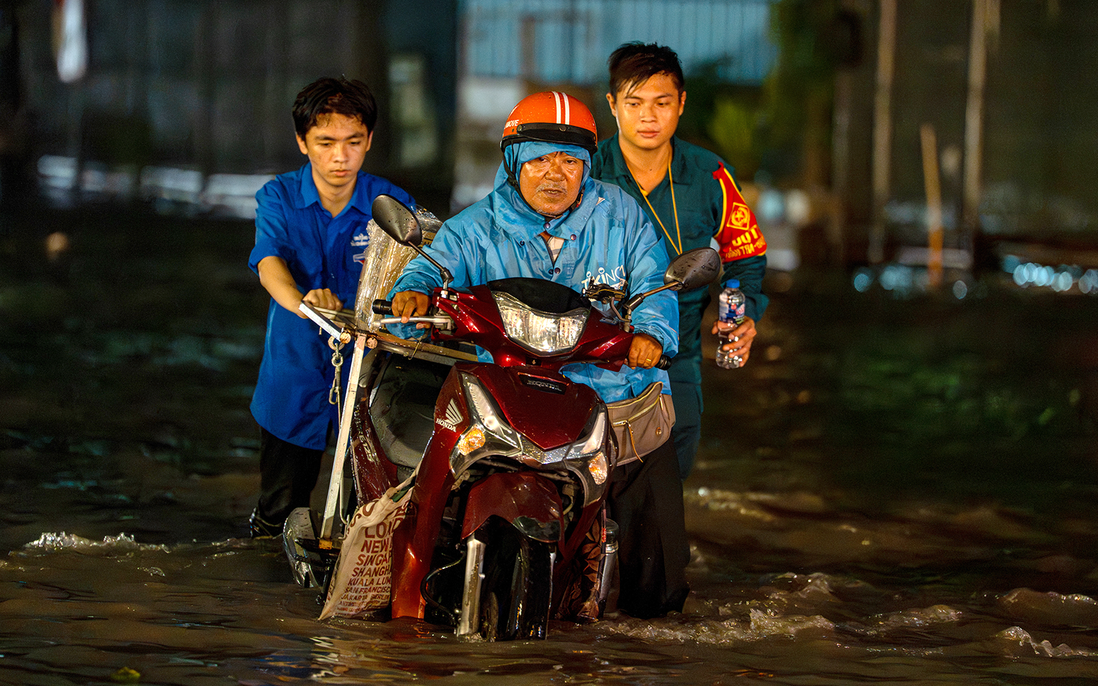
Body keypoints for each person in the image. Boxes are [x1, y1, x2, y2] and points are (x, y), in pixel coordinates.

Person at [389, 91, 689, 619]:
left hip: (615, 397)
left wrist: (652, 333)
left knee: (659, 587)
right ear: (513, 163)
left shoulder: (623, 219)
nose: (555, 174)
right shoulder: (477, 225)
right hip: (511, 398)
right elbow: (433, 264)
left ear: (587, 167)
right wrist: (413, 289)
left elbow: (653, 285)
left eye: (570, 161)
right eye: (540, 160)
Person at [591, 42, 769, 480]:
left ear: (681, 104)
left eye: (662, 103)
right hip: (592, 357)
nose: (648, 117)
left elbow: (746, 255)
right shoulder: (586, 171)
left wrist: (743, 311)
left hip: (678, 357)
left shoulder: (710, 174)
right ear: (613, 105)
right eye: (634, 103)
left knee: (666, 489)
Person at [247, 77, 415, 537]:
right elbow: (268, 263)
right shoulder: (277, 197)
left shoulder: (394, 204)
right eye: (325, 142)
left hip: (370, 379)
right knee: (278, 513)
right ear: (302, 142)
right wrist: (305, 304)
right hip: (294, 373)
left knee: (365, 515)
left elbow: (423, 271)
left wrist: (411, 293)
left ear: (369, 141)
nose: (340, 157)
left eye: (352, 142)